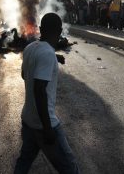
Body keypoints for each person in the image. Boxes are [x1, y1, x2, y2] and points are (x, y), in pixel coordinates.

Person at [15, 13, 79, 174]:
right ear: (59, 30)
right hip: (43, 123)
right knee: (69, 167)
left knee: (24, 160)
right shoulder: (47, 54)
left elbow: (25, 75)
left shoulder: (30, 48)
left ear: (41, 29)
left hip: (28, 119)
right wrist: (47, 128)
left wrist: (54, 58)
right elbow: (39, 90)